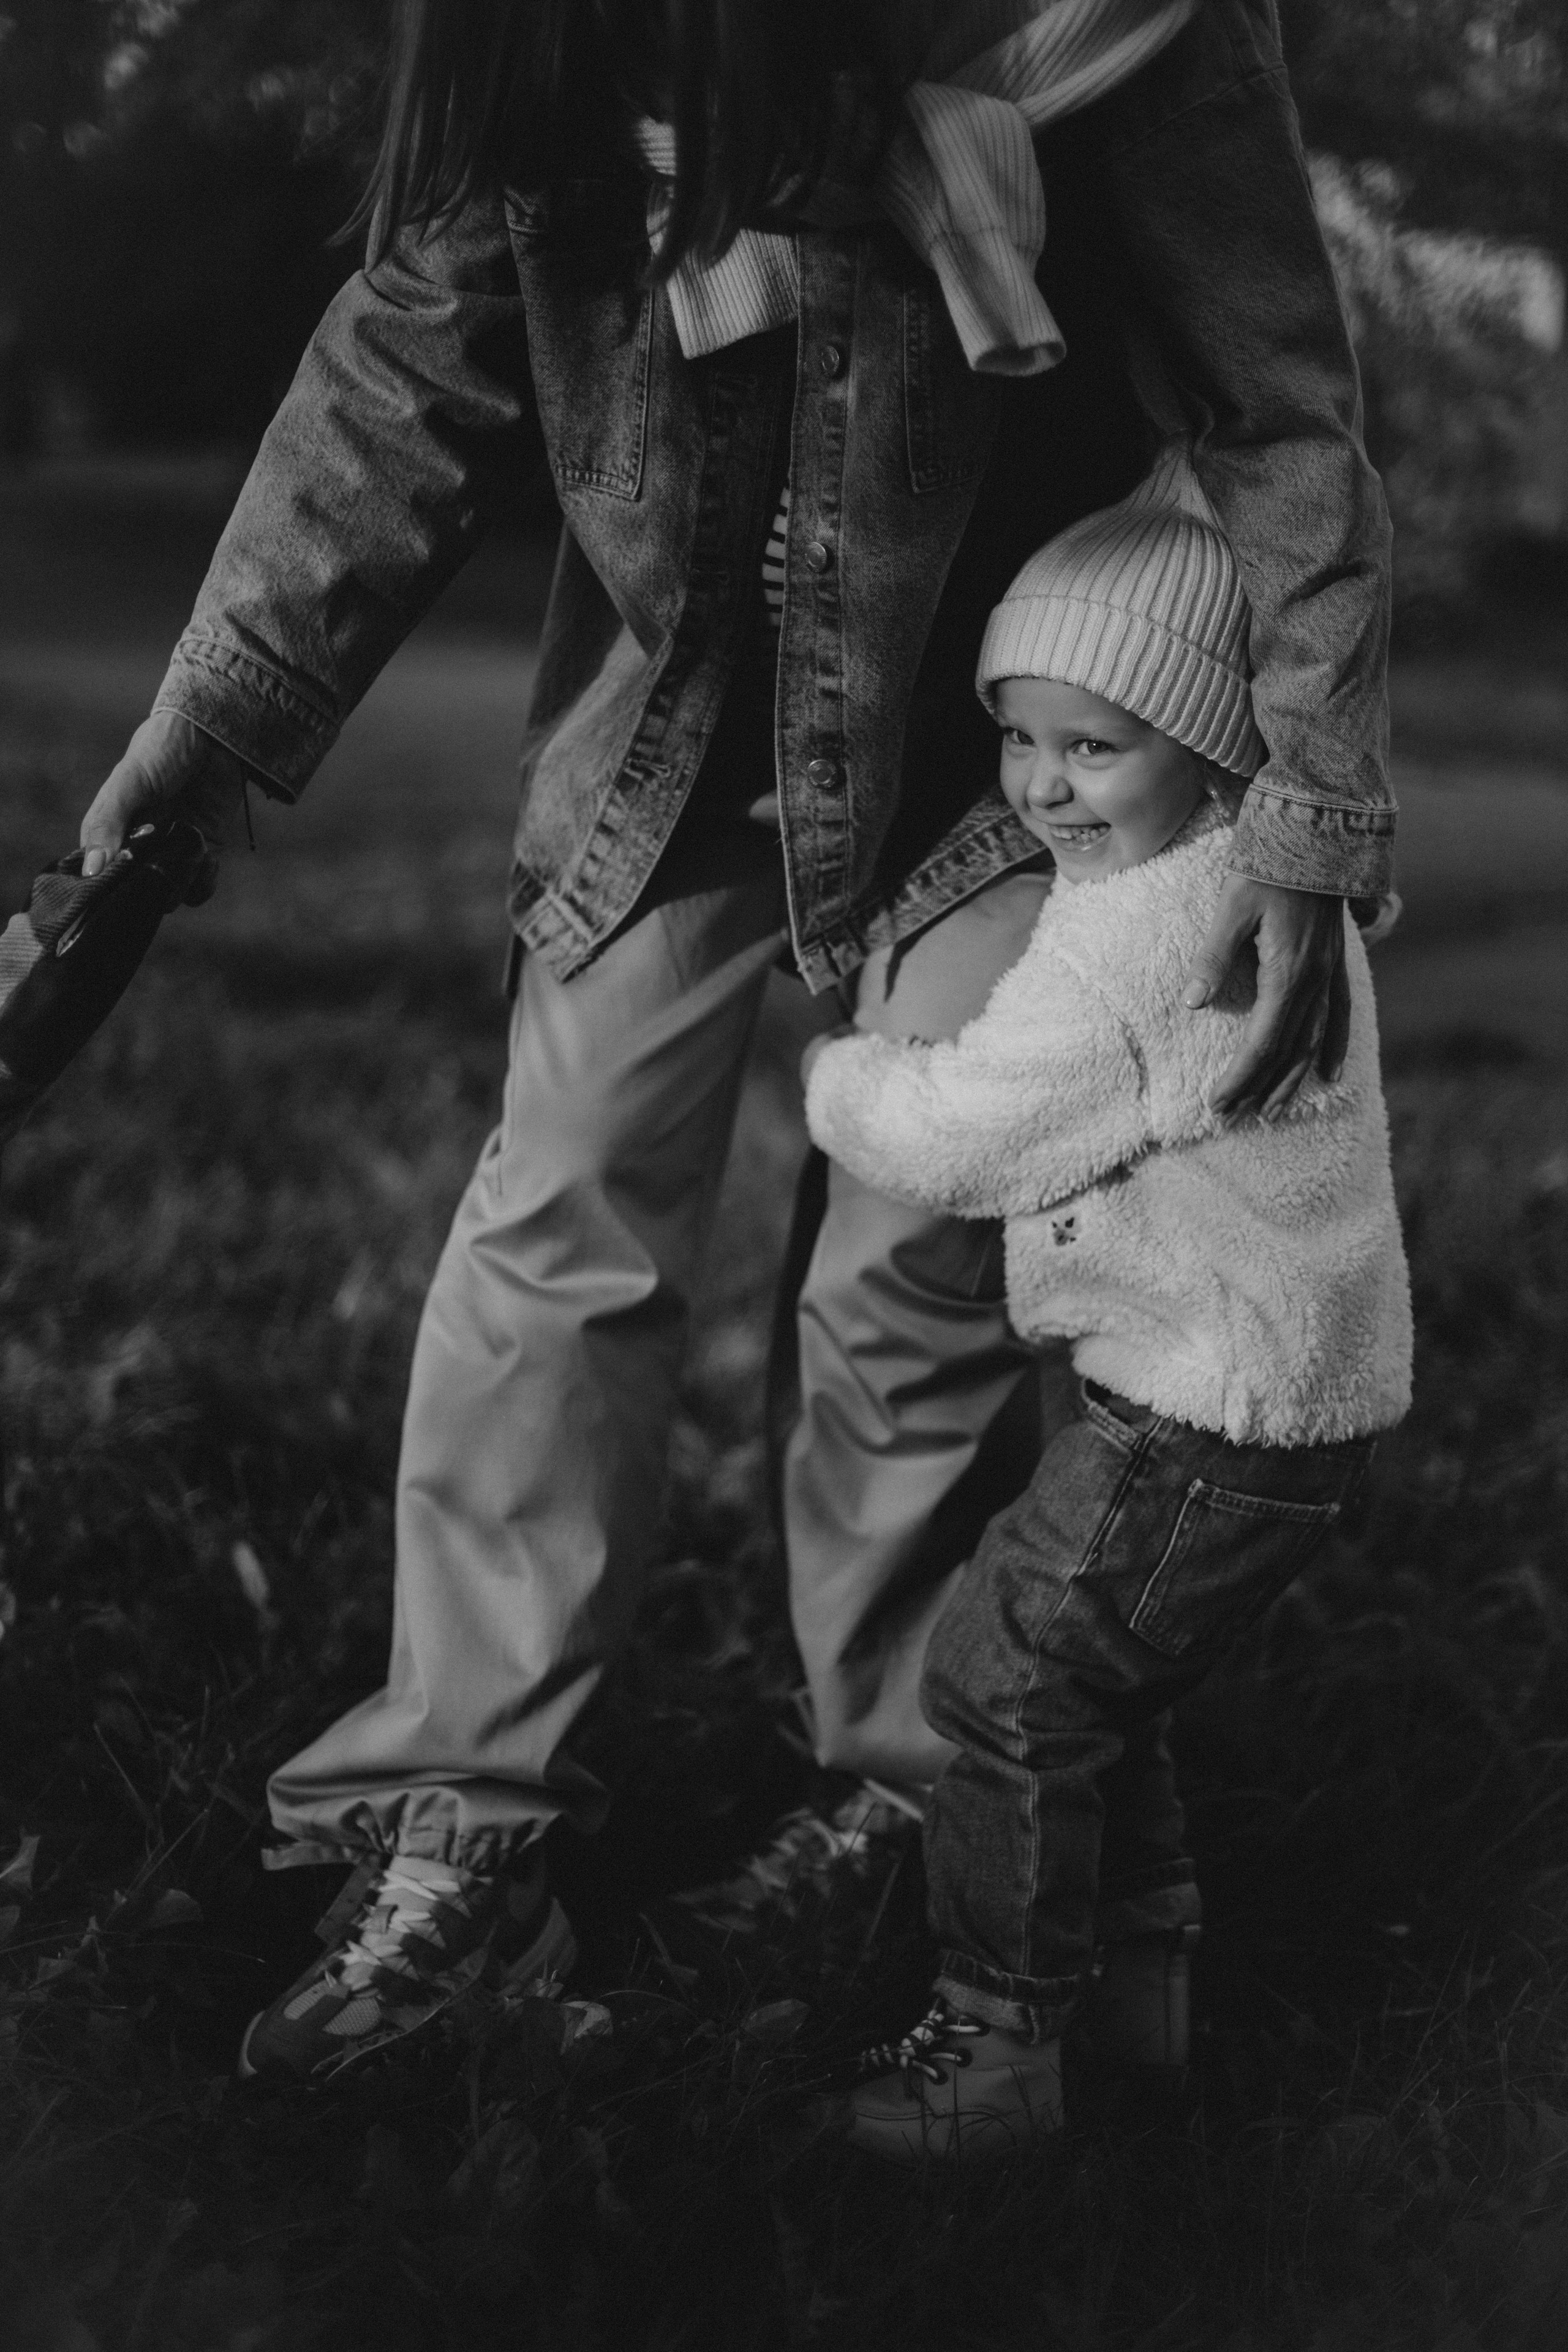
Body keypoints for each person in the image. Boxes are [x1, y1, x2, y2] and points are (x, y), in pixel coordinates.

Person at [73, 0, 1396, 2085]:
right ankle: (461, 1833)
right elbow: (401, 374)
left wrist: (1310, 807)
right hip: (670, 738)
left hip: (1012, 755)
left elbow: (1277, 399)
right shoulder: (540, 55)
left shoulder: (1109, 33)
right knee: (561, 1220)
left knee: (915, 1275)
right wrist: (217, 712)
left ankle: (913, 1785)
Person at [801, 445, 1412, 2163]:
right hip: (1256, 1399)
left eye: (1094, 747)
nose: (1044, 787)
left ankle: (997, 2046)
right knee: (1092, 1689)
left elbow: (972, 1136)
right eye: (1020, 738)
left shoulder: (1146, 936)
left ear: (1209, 743)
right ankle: (1139, 2008)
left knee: (1001, 1682)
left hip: (1211, 1413)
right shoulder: (1245, 882)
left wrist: (843, 1076)